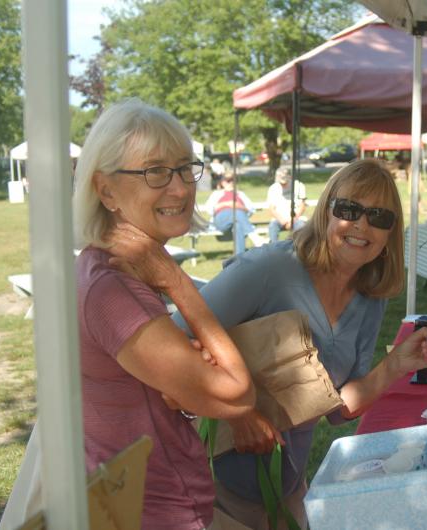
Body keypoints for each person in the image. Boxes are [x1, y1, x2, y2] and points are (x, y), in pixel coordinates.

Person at [173, 158, 427, 529]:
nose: (362, 224)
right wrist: (238, 411)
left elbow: (338, 408)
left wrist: (396, 366)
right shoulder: (268, 270)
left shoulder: (370, 296)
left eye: (379, 217)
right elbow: (174, 342)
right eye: (348, 209)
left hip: (287, 492)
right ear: (326, 211)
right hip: (212, 491)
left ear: (390, 233)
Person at [72, 99, 281, 529]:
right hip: (154, 511)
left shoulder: (112, 270)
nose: (182, 188)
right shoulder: (113, 289)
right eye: (155, 171)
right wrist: (177, 281)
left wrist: (185, 374)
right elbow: (236, 394)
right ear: (105, 190)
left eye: (186, 168)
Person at [203, 173, 259, 254]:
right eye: (228, 181)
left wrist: (239, 206)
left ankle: (239, 257)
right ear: (222, 182)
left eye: (232, 180)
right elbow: (209, 210)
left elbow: (250, 211)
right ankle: (255, 238)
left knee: (238, 226)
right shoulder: (217, 194)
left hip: (238, 220)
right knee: (236, 213)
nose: (230, 183)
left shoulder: (241, 194)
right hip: (221, 220)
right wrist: (228, 204)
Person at [266, 167, 306, 243]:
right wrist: (282, 220)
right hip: (279, 219)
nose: (283, 183)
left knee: (301, 226)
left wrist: (292, 219)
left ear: (290, 177)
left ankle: (298, 248)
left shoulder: (299, 186)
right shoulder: (273, 188)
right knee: (272, 227)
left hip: (296, 218)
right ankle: (274, 249)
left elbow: (302, 206)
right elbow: (272, 209)